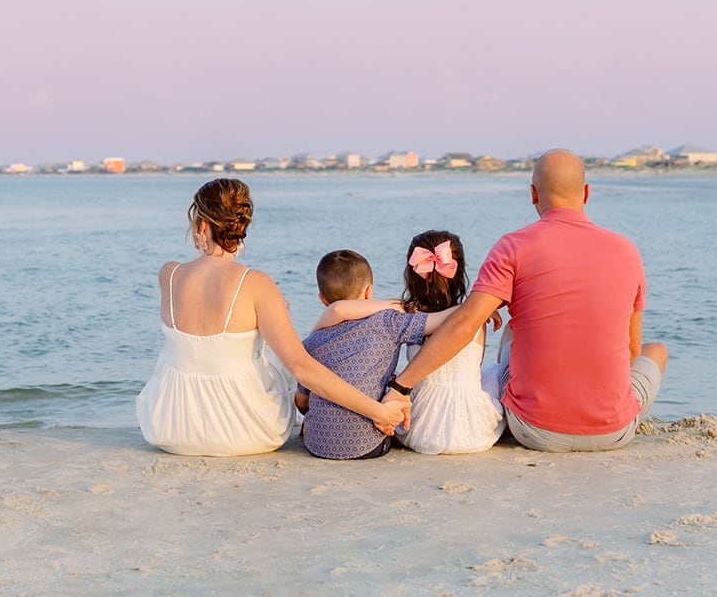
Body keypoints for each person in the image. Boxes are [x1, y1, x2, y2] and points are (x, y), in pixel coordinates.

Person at [391, 149, 669, 452]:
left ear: (533, 194)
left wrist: (401, 384)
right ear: (586, 193)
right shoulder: (627, 251)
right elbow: (630, 351)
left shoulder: (513, 246)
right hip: (613, 431)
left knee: (512, 330)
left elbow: (465, 324)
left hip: (532, 429)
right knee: (656, 350)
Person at [136, 181, 408, 457]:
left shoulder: (168, 274)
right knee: (283, 361)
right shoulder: (256, 283)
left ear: (202, 225)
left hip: (170, 427)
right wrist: (378, 411)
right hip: (244, 432)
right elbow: (303, 368)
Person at [297, 248, 450, 460]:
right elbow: (440, 321)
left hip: (317, 444)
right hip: (367, 446)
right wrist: (477, 308)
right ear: (369, 292)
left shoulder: (311, 342)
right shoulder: (387, 322)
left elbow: (302, 402)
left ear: (323, 299)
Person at [395, 229, 505, 454]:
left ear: (411, 274)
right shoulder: (476, 319)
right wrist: (476, 309)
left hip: (419, 429)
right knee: (493, 371)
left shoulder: (408, 316)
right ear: (460, 273)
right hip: (472, 432)